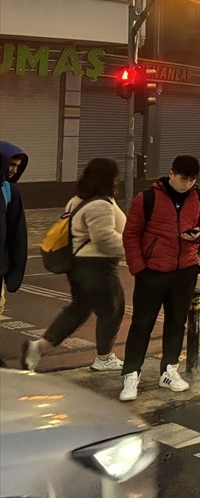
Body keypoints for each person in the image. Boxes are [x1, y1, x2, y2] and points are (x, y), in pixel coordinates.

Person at [120, 155, 200, 401]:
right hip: (152, 272)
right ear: (171, 174)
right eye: (183, 179)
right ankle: (131, 374)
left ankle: (169, 370)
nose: (188, 184)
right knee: (142, 324)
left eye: (192, 180)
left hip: (185, 271)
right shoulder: (147, 198)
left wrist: (199, 234)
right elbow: (131, 235)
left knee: (176, 322)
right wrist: (139, 268)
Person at [22, 158, 127, 372]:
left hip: (79, 266)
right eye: (115, 176)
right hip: (97, 266)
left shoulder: (77, 200)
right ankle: (104, 358)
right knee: (113, 309)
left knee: (79, 310)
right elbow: (104, 238)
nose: (118, 180)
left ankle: (38, 347)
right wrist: (132, 246)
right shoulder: (100, 204)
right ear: (108, 178)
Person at [1, 141, 29, 320]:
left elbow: (17, 235)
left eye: (17, 166)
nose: (14, 170)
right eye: (11, 164)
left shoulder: (9, 191)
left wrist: (14, 274)